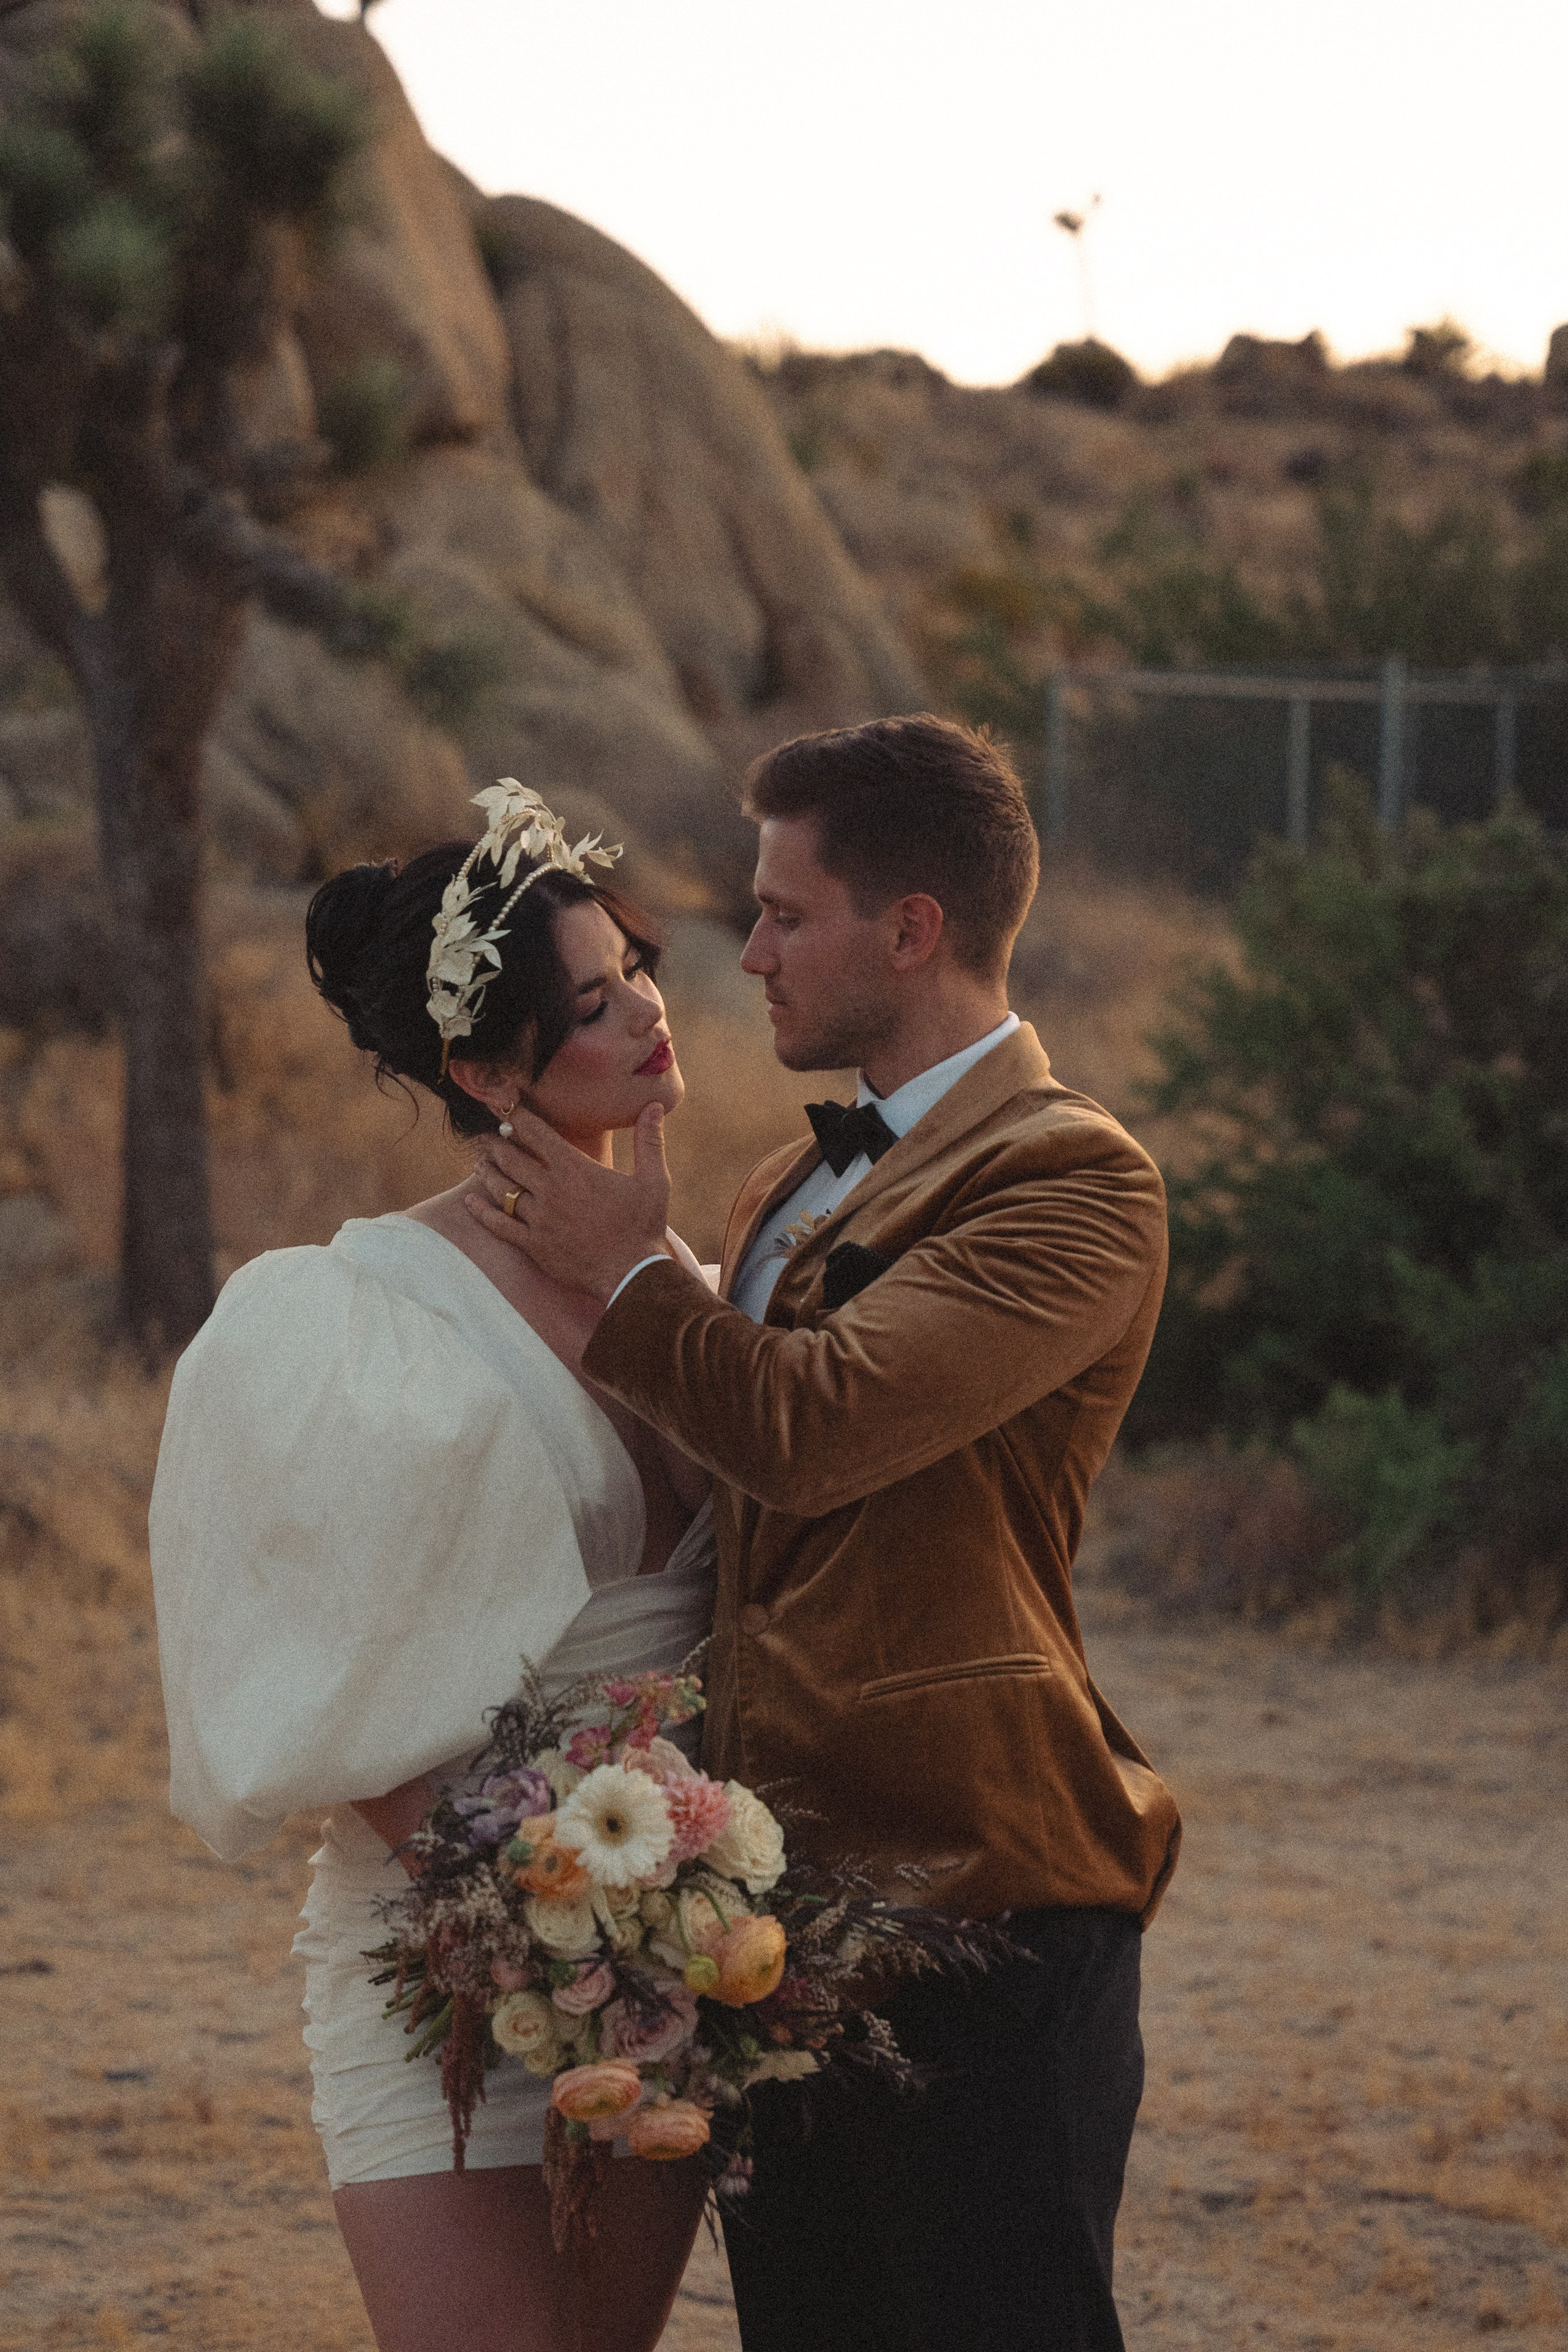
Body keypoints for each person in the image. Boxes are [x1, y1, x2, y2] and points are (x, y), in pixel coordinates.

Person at [467, 715, 1183, 2352]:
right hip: (777, 1915)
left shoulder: (1075, 1181)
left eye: (788, 912)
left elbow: (816, 1426)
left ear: (912, 928)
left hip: (984, 1901)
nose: (753, 951)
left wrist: (623, 1276)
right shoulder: (784, 1181)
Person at [149, 790, 716, 2352]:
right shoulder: (348, 1321)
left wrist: (681, 1955)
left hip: (679, 1952)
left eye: (639, 970)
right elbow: (365, 1725)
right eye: (590, 1003)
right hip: (446, 1960)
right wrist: (567, 1937)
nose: (649, 1014)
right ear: (482, 1069)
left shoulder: (705, 1295)